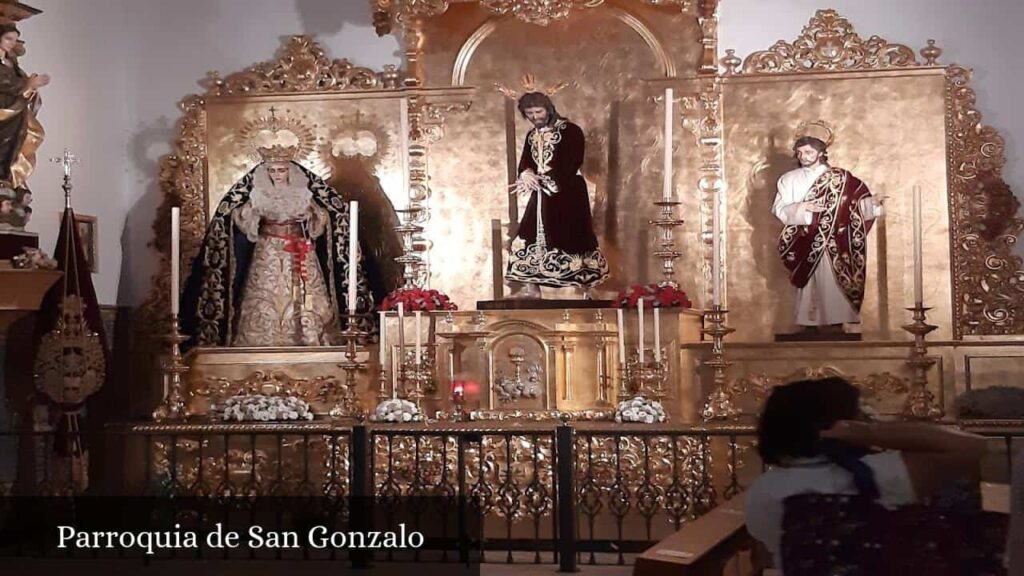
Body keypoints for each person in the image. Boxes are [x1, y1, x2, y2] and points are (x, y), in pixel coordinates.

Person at [745, 377, 986, 572]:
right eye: (859, 413)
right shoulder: (881, 474)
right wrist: (869, 432)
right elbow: (972, 447)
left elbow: (768, 552)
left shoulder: (764, 488)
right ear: (841, 424)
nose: (866, 417)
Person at [180, 144, 372, 348]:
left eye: (281, 170)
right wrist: (252, 216)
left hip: (300, 250)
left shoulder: (302, 193)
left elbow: (322, 216)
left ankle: (309, 338)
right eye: (272, 170)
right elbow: (239, 217)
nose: (277, 175)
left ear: (290, 171)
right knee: (264, 297)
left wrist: (309, 217)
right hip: (268, 250)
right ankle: (261, 340)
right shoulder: (259, 193)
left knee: (306, 297)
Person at [773, 122, 884, 333]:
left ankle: (836, 321)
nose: (803, 156)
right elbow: (780, 209)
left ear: (821, 152)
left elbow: (855, 206)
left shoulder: (842, 178)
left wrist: (872, 204)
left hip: (836, 239)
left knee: (833, 279)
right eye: (799, 152)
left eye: (808, 151)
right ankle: (809, 323)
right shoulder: (788, 180)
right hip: (805, 238)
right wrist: (803, 207)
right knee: (808, 284)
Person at [505, 91, 608, 299]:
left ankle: (586, 287)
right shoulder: (532, 135)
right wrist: (526, 174)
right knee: (530, 235)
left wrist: (543, 179)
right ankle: (532, 287)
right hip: (542, 197)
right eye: (530, 113)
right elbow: (526, 161)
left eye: (538, 111)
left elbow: (571, 161)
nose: (535, 117)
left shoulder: (570, 131)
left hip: (567, 193)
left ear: (548, 109)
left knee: (575, 237)